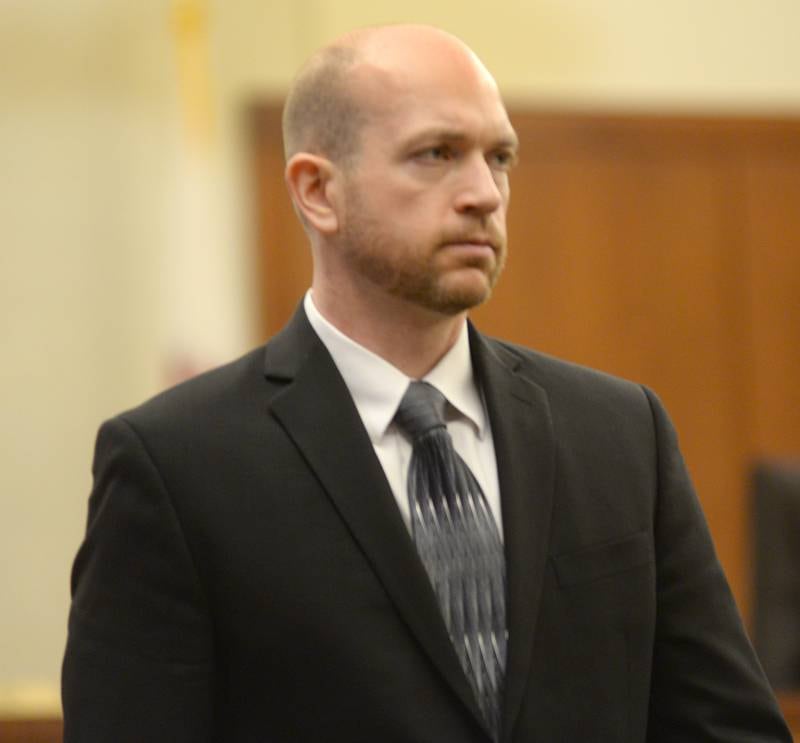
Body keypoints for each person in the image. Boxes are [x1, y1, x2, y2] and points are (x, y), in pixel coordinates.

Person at [62, 24, 791, 743]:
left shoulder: (620, 431)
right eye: (437, 154)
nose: (484, 192)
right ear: (318, 190)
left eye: (499, 156)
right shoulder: (178, 464)